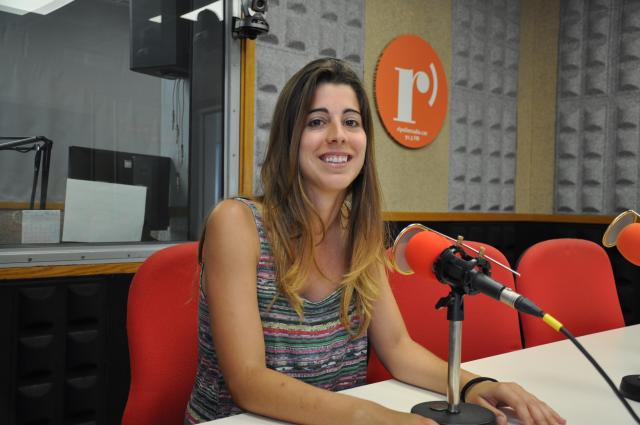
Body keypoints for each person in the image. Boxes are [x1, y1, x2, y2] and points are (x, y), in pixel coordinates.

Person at [185, 58, 566, 425]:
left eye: (351, 121)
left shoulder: (360, 232)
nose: (338, 134)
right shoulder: (237, 224)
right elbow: (248, 381)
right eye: (317, 121)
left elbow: (397, 348)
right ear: (290, 138)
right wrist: (373, 417)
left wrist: (474, 385)